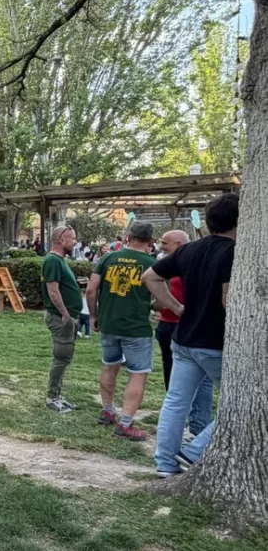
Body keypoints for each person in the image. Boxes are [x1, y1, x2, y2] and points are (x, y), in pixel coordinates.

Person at [143, 193, 237, 476]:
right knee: (239, 402)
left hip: (183, 339)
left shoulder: (189, 250)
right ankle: (193, 452)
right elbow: (227, 301)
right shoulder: (234, 252)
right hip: (215, 342)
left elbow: (149, 277)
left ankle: (165, 463)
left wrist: (177, 307)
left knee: (175, 402)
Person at [86, 221, 156, 441]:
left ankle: (107, 410)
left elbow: (90, 290)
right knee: (138, 373)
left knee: (110, 366)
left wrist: (94, 315)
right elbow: (159, 294)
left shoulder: (108, 258)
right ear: (151, 241)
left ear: (128, 236)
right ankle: (125, 423)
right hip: (136, 327)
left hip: (109, 323)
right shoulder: (150, 263)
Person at [153, 230, 213, 437]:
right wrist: (170, 305)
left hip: (188, 327)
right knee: (174, 380)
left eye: (165, 243)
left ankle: (195, 426)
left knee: (199, 381)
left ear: (179, 243)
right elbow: (153, 283)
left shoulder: (191, 261)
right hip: (169, 325)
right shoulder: (170, 263)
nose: (161, 246)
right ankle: (183, 427)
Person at [41, 226, 81, 413]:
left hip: (66, 317)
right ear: (62, 240)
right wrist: (65, 314)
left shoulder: (59, 261)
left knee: (64, 358)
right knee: (61, 357)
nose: (75, 242)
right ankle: (52, 397)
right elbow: (53, 290)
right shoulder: (53, 261)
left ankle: (57, 395)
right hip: (60, 318)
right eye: (72, 239)